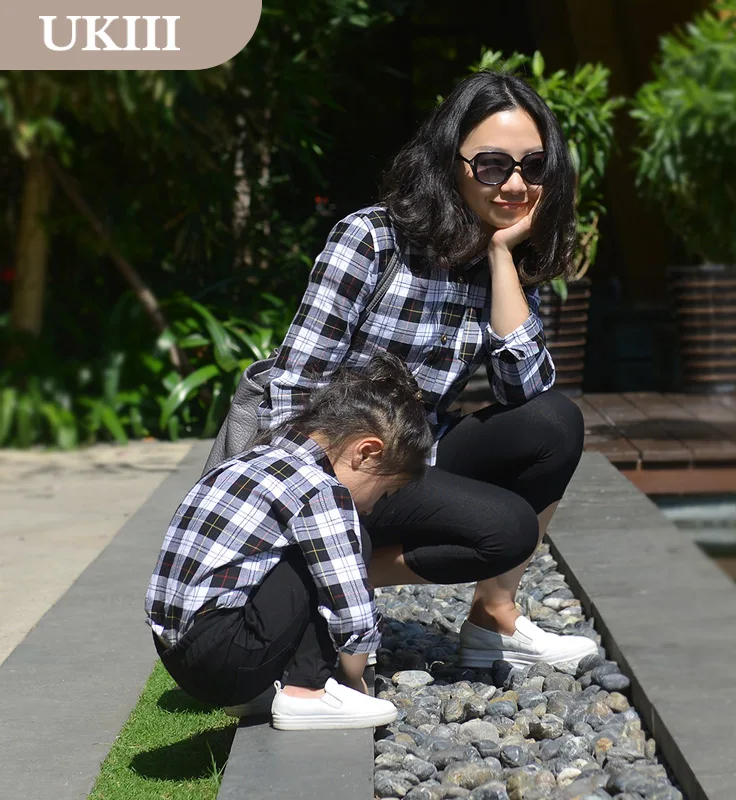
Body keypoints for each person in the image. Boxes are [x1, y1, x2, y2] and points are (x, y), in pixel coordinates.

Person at [258, 70, 598, 671]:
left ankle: (494, 620)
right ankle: (322, 571)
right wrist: (311, 507)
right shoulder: (372, 240)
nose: (515, 184)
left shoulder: (503, 253)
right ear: (449, 161)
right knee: (508, 528)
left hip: (420, 458)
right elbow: (292, 391)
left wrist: (501, 259)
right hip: (343, 473)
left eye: (534, 166)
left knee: (555, 422)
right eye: (492, 165)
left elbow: (526, 391)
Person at [145, 353, 432, 728]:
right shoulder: (319, 489)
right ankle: (307, 692)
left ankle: (261, 693)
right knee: (346, 543)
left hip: (173, 651)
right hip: (222, 658)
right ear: (366, 452)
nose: (374, 508)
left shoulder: (254, 460)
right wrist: (354, 677)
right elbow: (350, 605)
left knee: (301, 550)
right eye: (384, 493)